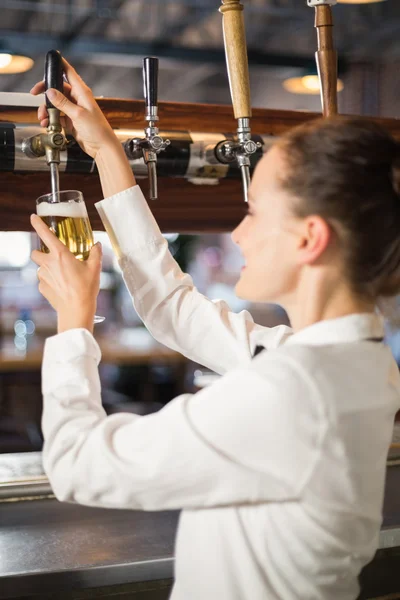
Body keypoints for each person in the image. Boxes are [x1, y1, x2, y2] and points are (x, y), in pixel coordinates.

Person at [30, 59, 400, 600]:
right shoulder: (352, 362)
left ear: (309, 239)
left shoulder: (290, 394)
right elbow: (175, 308)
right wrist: (107, 151)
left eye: (252, 211)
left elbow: (76, 465)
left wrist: (71, 325)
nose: (238, 233)